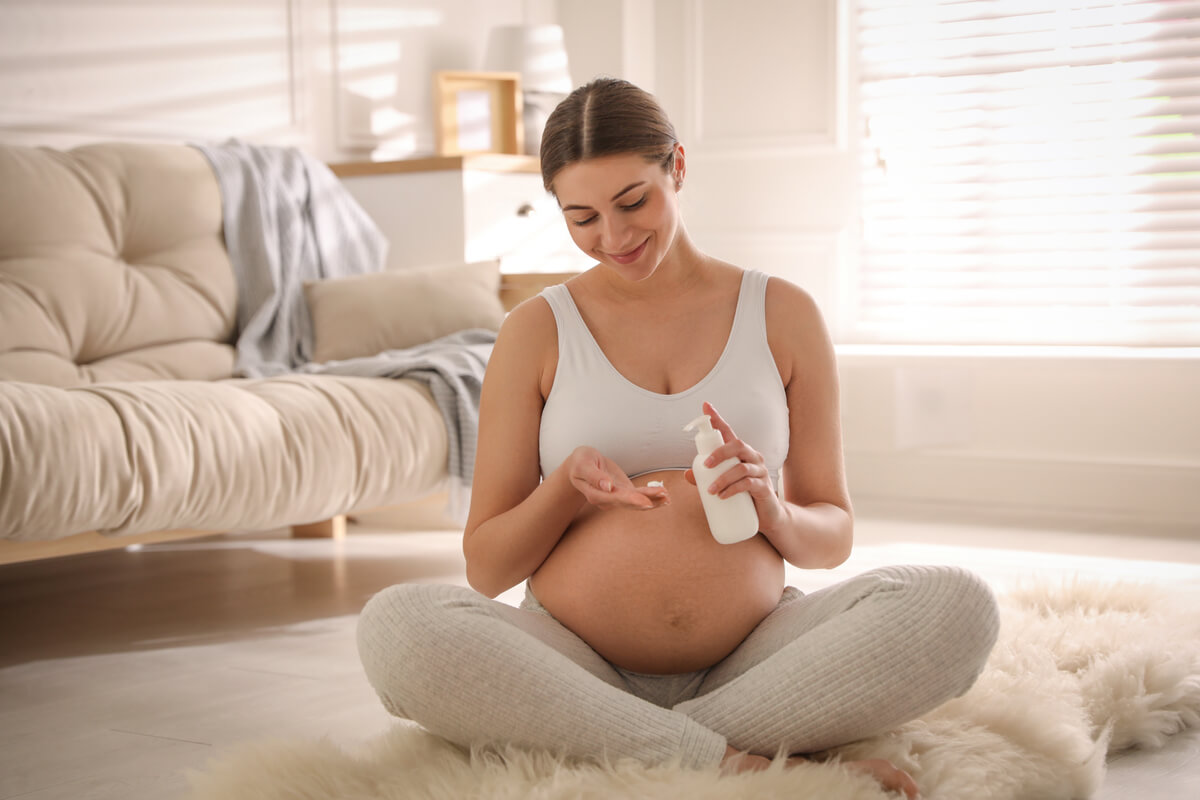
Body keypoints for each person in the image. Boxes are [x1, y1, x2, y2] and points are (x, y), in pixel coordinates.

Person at [357, 77, 999, 798]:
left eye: (633, 202)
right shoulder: (537, 329)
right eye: (582, 218)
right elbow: (486, 569)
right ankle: (734, 757)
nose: (614, 237)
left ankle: (627, 741)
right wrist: (564, 491)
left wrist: (774, 509)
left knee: (958, 604)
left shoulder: (783, 314)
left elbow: (835, 535)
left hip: (755, 657)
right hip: (570, 659)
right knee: (395, 625)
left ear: (679, 168)